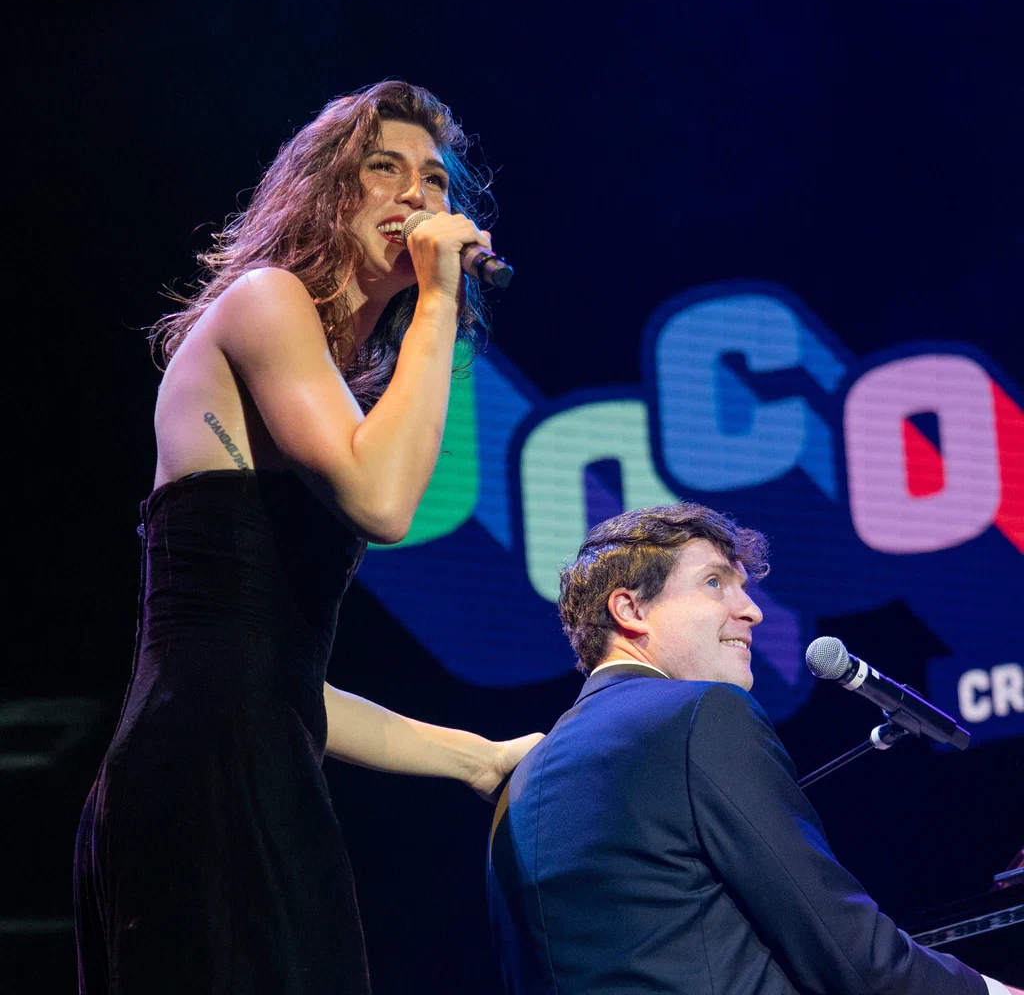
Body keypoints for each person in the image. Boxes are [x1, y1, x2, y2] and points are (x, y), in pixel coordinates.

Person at [74, 80, 541, 994]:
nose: (418, 196)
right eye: (386, 169)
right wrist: (440, 308)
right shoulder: (264, 300)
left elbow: (270, 680)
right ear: (331, 190)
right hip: (202, 782)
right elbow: (384, 503)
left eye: (438, 183)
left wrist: (474, 759)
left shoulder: (327, 381)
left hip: (238, 759)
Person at [487, 503, 1021, 995]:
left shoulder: (523, 781)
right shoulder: (698, 714)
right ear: (630, 609)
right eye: (714, 583)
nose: (752, 612)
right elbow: (847, 950)